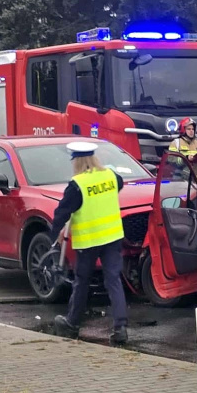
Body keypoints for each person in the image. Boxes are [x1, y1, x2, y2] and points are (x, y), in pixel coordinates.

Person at [52, 142, 129, 345]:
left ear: (76, 161)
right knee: (113, 280)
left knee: (82, 282)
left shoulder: (77, 184)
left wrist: (55, 235)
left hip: (89, 242)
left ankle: (72, 324)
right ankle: (121, 327)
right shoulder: (112, 176)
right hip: (112, 237)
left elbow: (61, 213)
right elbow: (114, 190)